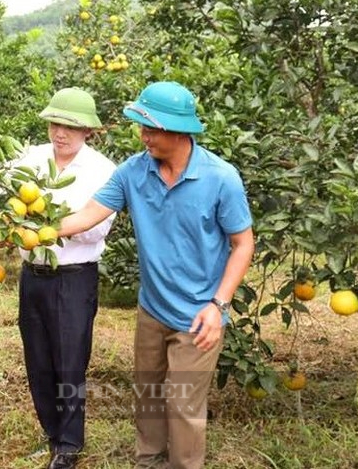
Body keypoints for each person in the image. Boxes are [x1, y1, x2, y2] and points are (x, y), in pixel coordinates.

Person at [57, 81, 255, 469]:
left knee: (183, 405)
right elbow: (86, 215)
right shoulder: (134, 172)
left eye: (151, 129)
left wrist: (219, 305)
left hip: (200, 315)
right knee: (148, 397)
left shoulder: (220, 178)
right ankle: (147, 461)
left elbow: (243, 244)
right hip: (152, 310)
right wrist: (33, 228)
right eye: (142, 128)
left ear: (178, 131)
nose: (143, 137)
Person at [0, 87, 116, 469]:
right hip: (33, 275)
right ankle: (52, 435)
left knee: (70, 361)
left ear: (88, 131)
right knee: (38, 359)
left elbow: (95, 231)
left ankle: (69, 445)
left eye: (70, 126)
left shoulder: (102, 170)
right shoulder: (31, 157)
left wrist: (45, 221)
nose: (60, 133)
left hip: (74, 278)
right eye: (55, 124)